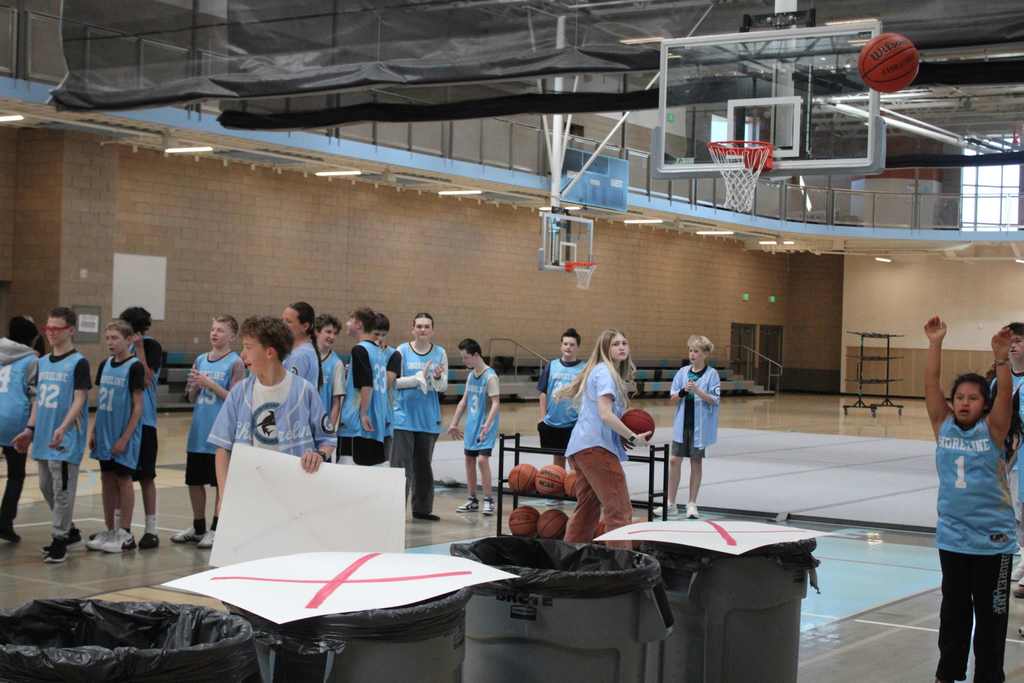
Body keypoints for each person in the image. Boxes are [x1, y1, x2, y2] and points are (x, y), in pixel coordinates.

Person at [924, 316, 1017, 683]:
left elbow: (1006, 395)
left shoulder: (993, 430)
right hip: (953, 538)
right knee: (954, 613)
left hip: (993, 542)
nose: (964, 403)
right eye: (960, 397)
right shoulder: (941, 424)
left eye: (973, 398)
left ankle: (989, 676)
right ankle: (948, 673)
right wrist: (935, 343)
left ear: (984, 403)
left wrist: (1001, 359)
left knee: (992, 617)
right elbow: (931, 382)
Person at [209, 316, 334, 511]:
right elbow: (222, 448)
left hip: (296, 494)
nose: (242, 355)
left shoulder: (304, 391)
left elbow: (327, 439)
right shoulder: (239, 393)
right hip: (251, 492)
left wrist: (320, 454)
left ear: (269, 352)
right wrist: (225, 494)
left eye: (248, 347)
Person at [555, 329, 651, 550]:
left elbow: (603, 417)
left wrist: (621, 436)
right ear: (606, 348)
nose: (622, 347)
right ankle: (620, 567)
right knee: (619, 510)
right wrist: (633, 437)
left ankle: (569, 558)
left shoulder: (600, 371)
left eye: (624, 343)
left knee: (587, 510)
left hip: (581, 448)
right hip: (596, 450)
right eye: (616, 344)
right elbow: (605, 414)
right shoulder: (606, 373)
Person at [12, 307, 91, 564]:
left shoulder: (79, 362)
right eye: (48, 328)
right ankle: (71, 531)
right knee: (46, 487)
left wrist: (64, 426)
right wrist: (29, 429)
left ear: (70, 330)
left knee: (62, 490)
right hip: (44, 435)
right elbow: (37, 401)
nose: (51, 333)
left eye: (56, 329)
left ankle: (60, 540)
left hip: (66, 437)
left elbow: (80, 399)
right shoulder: (42, 363)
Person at [171, 315, 244, 548]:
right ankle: (198, 526)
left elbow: (236, 399)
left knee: (218, 483)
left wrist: (209, 383)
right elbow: (191, 396)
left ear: (232, 336)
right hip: (199, 429)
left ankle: (216, 528)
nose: (214, 334)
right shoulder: (201, 359)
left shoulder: (236, 362)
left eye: (221, 330)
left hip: (220, 433)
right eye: (213, 329)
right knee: (194, 480)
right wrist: (193, 387)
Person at [86, 320, 145, 554]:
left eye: (115, 338)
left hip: (123, 434)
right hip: (104, 431)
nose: (110, 342)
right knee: (106, 479)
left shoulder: (134, 367)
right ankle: (110, 529)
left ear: (129, 340)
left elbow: (138, 407)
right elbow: (101, 401)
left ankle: (126, 533)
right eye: (108, 337)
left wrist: (125, 438)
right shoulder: (104, 365)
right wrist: (94, 431)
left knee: (123, 479)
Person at [392, 313, 448, 521]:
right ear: (412, 329)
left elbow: (443, 386)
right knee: (400, 468)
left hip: (428, 419)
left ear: (432, 330)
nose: (423, 330)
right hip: (403, 417)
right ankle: (396, 509)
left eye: (427, 326)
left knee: (423, 467)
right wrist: (417, 379)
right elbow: (395, 382)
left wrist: (436, 377)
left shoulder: (440, 353)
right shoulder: (402, 351)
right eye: (419, 326)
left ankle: (422, 509)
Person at [119, 306, 162, 550]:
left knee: (146, 477)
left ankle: (151, 528)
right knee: (119, 476)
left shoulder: (151, 346)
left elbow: (147, 380)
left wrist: (140, 349)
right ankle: (120, 529)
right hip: (122, 423)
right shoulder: (119, 349)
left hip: (144, 421)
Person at [664, 335, 721, 519]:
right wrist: (683, 392)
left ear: (705, 354)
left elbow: (714, 400)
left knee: (696, 462)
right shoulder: (682, 373)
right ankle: (670, 503)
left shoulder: (712, 374)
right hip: (682, 424)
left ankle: (691, 503)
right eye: (690, 350)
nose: (692, 354)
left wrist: (698, 391)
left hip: (700, 427)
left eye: (696, 351)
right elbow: (672, 397)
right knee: (674, 460)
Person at [0, 316, 44, 543]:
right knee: (16, 474)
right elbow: (34, 393)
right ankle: (5, 521)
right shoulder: (31, 360)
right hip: (13, 420)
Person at [448, 338, 499, 515]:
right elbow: (464, 402)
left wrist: (487, 423)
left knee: (482, 460)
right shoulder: (471, 376)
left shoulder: (490, 376)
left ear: (476, 355)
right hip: (471, 426)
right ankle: (472, 500)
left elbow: (496, 403)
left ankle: (489, 500)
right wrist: (454, 423)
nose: (464, 361)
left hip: (486, 427)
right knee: (469, 460)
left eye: (466, 358)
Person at [338, 308, 390, 466]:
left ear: (358, 324)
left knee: (348, 471)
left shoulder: (360, 349)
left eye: (350, 320)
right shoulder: (379, 351)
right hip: (376, 422)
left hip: (357, 424)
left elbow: (366, 385)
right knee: (372, 470)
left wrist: (363, 413)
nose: (347, 323)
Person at [537, 328, 584, 470]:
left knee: (574, 459)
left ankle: (574, 490)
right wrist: (542, 417)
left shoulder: (584, 368)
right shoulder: (551, 365)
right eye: (565, 344)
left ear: (577, 347)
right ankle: (560, 490)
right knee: (558, 460)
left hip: (573, 423)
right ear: (561, 346)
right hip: (552, 421)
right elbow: (543, 392)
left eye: (572, 344)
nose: (568, 347)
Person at [371, 313, 402, 464]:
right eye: (376, 334)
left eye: (383, 334)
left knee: (385, 463)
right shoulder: (362, 351)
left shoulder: (394, 355)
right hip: (365, 416)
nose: (380, 338)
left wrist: (378, 357)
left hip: (385, 417)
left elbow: (386, 383)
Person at [314, 314, 346, 435]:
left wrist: (330, 430)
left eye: (335, 333)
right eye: (328, 332)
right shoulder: (303, 356)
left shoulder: (336, 364)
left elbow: (336, 402)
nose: (332, 336)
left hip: (320, 425)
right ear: (317, 332)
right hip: (299, 424)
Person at [282, 302, 322, 391]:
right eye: (282, 320)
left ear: (305, 326)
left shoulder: (300, 355)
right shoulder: (299, 351)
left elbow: (290, 392)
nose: (283, 325)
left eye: (288, 322)